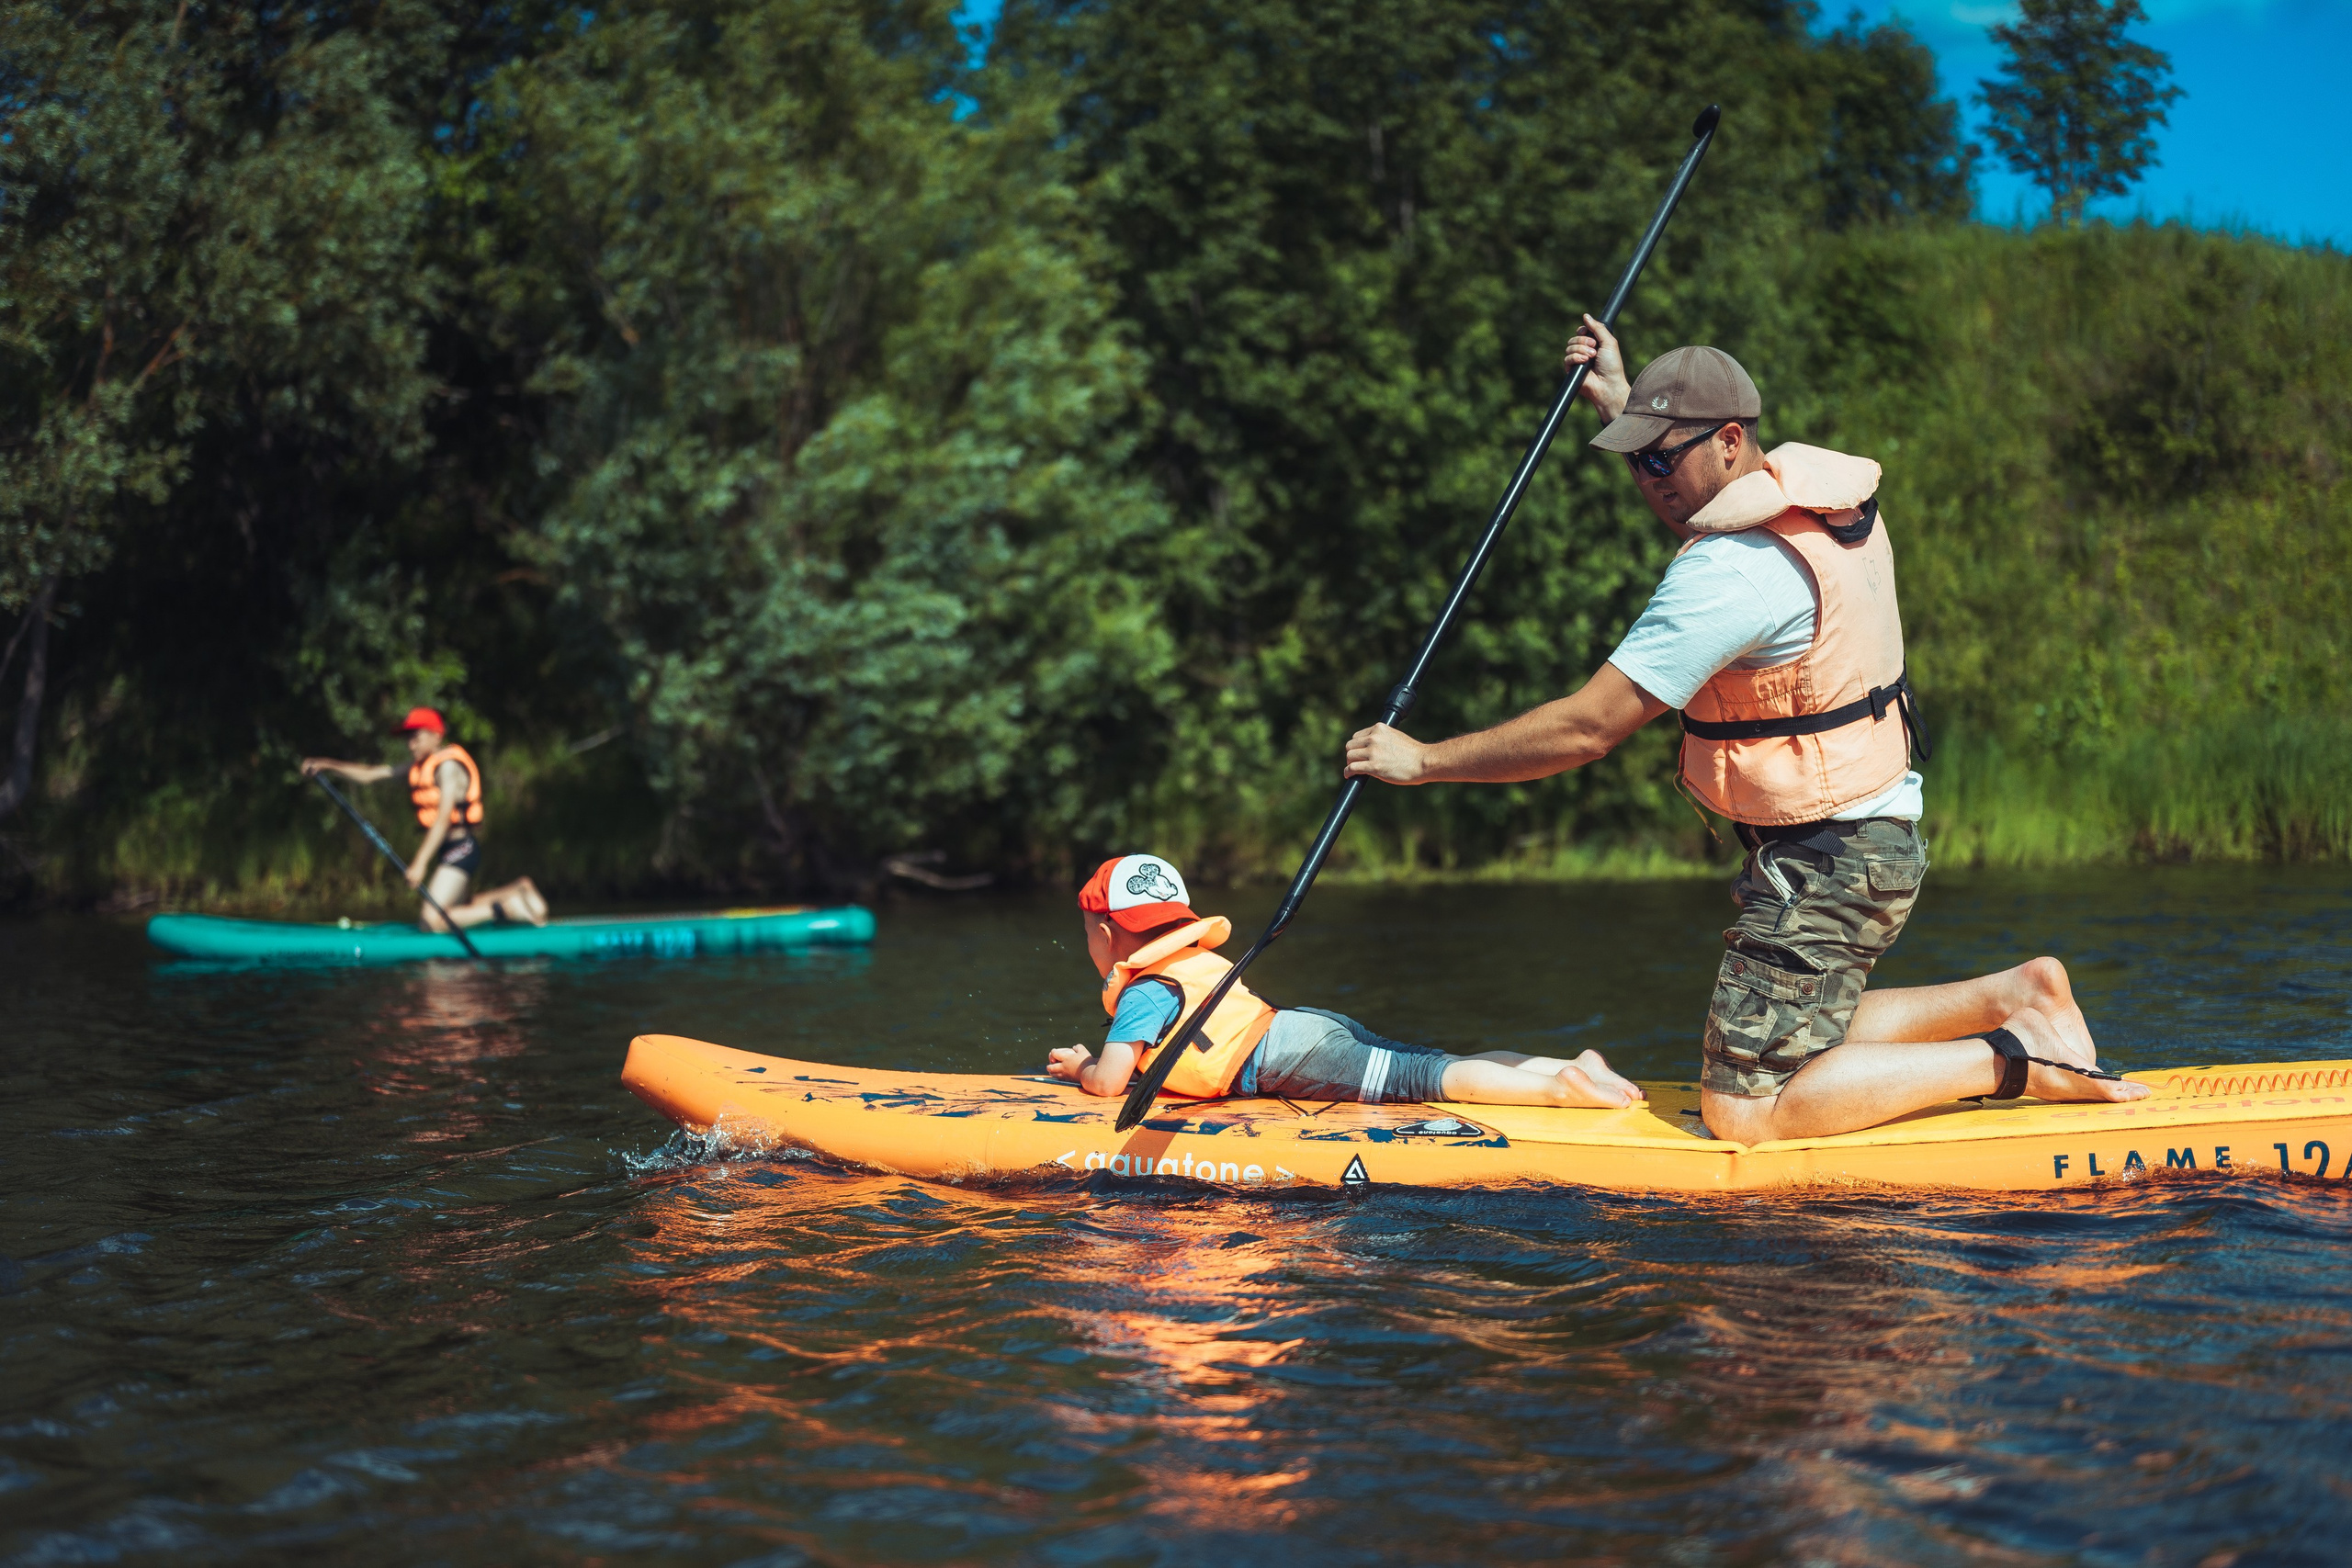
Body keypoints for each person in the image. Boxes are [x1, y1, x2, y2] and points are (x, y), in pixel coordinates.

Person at [1341, 320, 2148, 1142]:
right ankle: (2018, 996)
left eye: (1663, 458)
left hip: (1831, 856)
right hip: (1858, 836)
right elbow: (1701, 492)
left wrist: (1423, 761)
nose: (1651, 480)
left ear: (1730, 442)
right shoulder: (1825, 505)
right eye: (1636, 456)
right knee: (1801, 1036)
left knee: (1746, 1109)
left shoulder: (1732, 572)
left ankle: (2016, 1055)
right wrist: (1627, 403)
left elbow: (1588, 728)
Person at [1046, 853, 1644, 1109]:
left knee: (1426, 1077)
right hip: (1302, 1029)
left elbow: (1110, 1082)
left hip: (1294, 1051)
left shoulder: (1143, 990)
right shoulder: (1192, 962)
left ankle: (1559, 1088)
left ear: (1104, 930)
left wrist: (1080, 1067)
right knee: (1431, 1059)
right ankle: (1569, 1062)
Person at [301, 707, 549, 931]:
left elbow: (442, 820)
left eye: (416, 736)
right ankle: (519, 890)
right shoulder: (418, 767)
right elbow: (370, 775)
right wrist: (327, 765)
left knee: (431, 922)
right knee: (459, 911)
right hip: (449, 850)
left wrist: (419, 863)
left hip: (462, 848)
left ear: (436, 736)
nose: (410, 744)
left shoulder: (448, 768)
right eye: (408, 738)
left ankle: (507, 910)